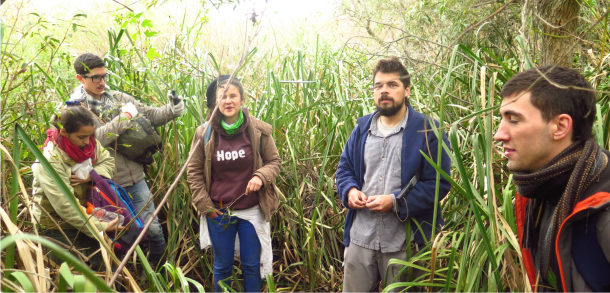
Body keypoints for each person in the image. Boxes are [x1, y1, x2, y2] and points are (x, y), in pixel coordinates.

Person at [336, 57, 451, 292]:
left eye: (392, 85)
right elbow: (344, 168)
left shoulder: (428, 130)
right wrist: (350, 191)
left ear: (407, 90)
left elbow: (439, 183)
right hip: (360, 239)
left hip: (405, 243)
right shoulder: (361, 129)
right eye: (379, 86)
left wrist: (396, 201)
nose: (384, 91)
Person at [494, 65, 610, 293]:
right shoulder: (540, 191)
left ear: (560, 126)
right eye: (502, 119)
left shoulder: (602, 211)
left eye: (514, 120)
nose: (499, 134)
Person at [68, 53, 185, 269]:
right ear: (80, 78)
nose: (102, 82)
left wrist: (173, 109)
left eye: (104, 76)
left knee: (154, 231)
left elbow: (152, 116)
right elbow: (95, 141)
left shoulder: (120, 98)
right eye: (95, 78)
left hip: (136, 179)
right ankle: (125, 280)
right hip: (105, 185)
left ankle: (156, 278)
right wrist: (124, 119)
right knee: (118, 236)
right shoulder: (75, 110)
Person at [186, 75, 281, 293]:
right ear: (215, 102)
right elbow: (193, 171)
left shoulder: (258, 130)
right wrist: (206, 207)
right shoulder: (205, 132)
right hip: (219, 213)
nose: (228, 101)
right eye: (222, 96)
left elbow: (274, 161)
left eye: (232, 95)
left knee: (250, 266)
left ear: (241, 99)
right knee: (222, 267)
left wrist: (260, 176)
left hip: (252, 211)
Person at [32, 103, 123, 270]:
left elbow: (108, 161)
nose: (88, 142)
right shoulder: (51, 159)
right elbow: (65, 205)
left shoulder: (90, 145)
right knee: (70, 279)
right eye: (82, 137)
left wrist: (92, 175)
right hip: (56, 225)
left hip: (87, 216)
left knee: (103, 269)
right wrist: (100, 227)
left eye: (90, 135)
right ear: (64, 132)